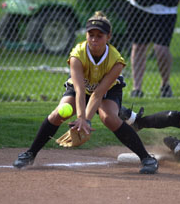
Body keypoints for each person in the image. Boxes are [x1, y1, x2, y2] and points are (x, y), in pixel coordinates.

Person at [13, 11, 158, 174]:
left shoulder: (116, 61)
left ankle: (147, 158)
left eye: (100, 35)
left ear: (109, 36)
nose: (94, 39)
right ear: (86, 34)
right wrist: (81, 118)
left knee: (109, 118)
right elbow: (79, 90)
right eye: (91, 35)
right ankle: (30, 154)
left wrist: (86, 121)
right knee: (59, 113)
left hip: (107, 91)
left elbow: (98, 94)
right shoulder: (78, 54)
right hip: (82, 89)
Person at [126, 0, 180, 98]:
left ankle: (165, 84)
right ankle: (137, 88)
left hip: (166, 8)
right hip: (140, 4)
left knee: (161, 49)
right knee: (139, 46)